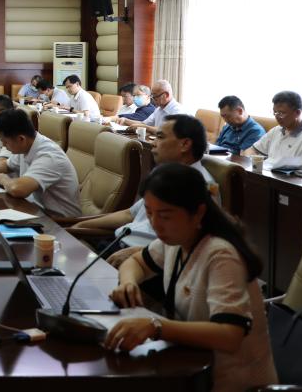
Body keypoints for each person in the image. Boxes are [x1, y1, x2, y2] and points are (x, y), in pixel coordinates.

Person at [106, 164, 277, 392]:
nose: (155, 224)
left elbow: (230, 334)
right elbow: (135, 262)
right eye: (149, 213)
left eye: (165, 215)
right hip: (190, 369)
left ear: (198, 213)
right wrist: (128, 283)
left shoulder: (221, 255)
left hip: (232, 382)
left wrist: (155, 326)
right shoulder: (178, 239)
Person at [70, 114, 221, 268]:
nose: (153, 143)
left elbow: (192, 245)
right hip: (117, 244)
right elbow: (129, 214)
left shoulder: (200, 187)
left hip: (145, 262)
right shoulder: (164, 175)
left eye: (160, 137)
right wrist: (80, 226)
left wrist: (142, 254)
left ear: (185, 144)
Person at [0, 108, 81, 218]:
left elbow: (18, 189)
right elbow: (7, 164)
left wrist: (3, 179)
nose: (3, 145)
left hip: (58, 222)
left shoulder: (49, 156)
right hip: (35, 211)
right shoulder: (26, 145)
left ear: (21, 139)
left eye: (5, 142)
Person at [244, 90, 302, 168]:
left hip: (280, 175)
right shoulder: (276, 130)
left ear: (297, 113)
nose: (277, 117)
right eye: (275, 112)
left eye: (281, 113)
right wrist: (251, 162)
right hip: (263, 172)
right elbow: (251, 150)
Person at [118, 79, 186, 128]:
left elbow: (167, 131)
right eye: (152, 96)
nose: (153, 99)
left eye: (155, 96)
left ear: (166, 95)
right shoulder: (158, 110)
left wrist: (147, 128)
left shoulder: (177, 111)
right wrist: (125, 120)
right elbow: (144, 124)